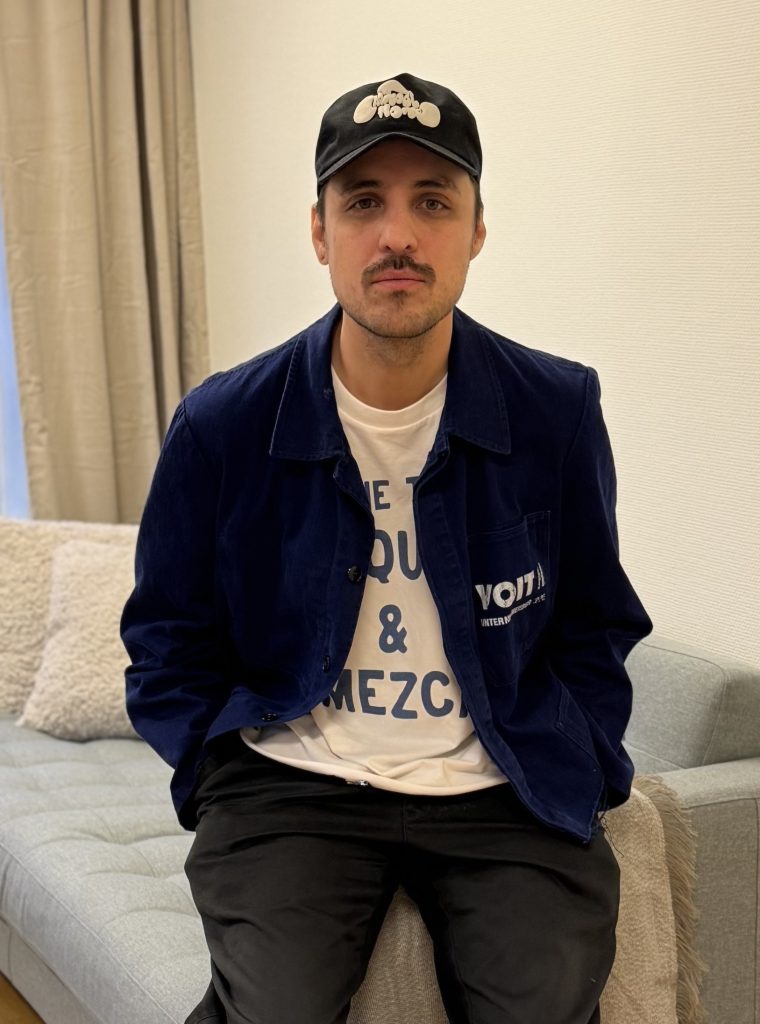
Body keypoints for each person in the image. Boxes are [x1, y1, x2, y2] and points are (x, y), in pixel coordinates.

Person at [122, 73, 652, 1024]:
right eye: (363, 202)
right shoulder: (223, 425)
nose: (397, 235)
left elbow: (595, 621)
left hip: (502, 784)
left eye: (432, 202)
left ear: (476, 229)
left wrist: (585, 754)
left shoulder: (555, 409)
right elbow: (165, 638)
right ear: (320, 233)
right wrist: (215, 771)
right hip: (293, 783)